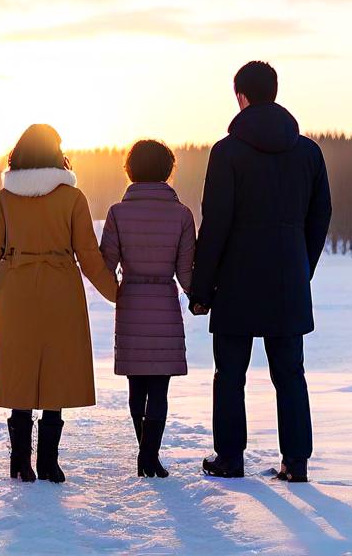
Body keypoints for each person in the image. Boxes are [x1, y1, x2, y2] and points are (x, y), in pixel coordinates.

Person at [189, 61, 332, 483]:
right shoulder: (308, 152)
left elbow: (215, 222)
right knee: (290, 373)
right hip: (288, 278)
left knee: (230, 374)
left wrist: (202, 288)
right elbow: (320, 213)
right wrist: (301, 264)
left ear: (241, 97)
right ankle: (296, 462)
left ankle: (230, 458)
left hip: (236, 279)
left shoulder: (227, 151)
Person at [0, 124, 118, 483]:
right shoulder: (72, 198)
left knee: (20, 374)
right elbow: (89, 256)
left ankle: (20, 462)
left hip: (15, 294)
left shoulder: (3, 198)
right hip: (61, 291)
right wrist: (120, 295)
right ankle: (49, 463)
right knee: (56, 374)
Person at [99, 140, 196, 478]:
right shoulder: (182, 214)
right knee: (159, 388)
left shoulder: (117, 213)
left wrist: (117, 294)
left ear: (130, 169)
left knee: (136, 386)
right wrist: (200, 299)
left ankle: (144, 452)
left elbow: (105, 266)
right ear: (167, 170)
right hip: (165, 306)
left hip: (130, 305)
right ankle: (150, 456)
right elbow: (186, 275)